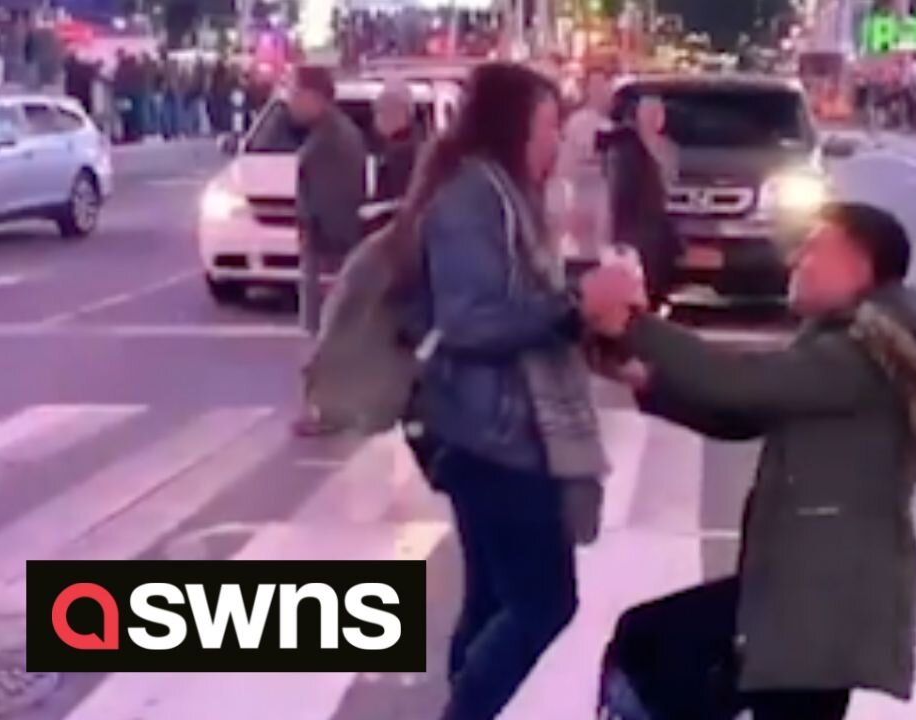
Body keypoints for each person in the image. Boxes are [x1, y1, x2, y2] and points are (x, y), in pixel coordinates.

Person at [581, 203, 916, 720]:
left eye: (816, 246)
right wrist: (649, 380)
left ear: (858, 265)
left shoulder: (862, 355)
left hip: (821, 600)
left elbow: (742, 384)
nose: (798, 259)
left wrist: (635, 325)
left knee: (655, 647)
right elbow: (742, 414)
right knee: (654, 646)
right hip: (806, 592)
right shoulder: (845, 343)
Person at [399, 63, 603, 720]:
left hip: (491, 426)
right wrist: (573, 310)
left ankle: (465, 705)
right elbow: (469, 320)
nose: (557, 141)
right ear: (515, 127)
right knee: (546, 601)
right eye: (549, 126)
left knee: (491, 601)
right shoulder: (472, 197)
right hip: (494, 433)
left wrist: (580, 295)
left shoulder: (502, 192)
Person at [290, 64, 368, 435]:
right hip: (324, 248)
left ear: (316, 97)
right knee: (326, 331)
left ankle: (327, 410)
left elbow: (335, 203)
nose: (291, 102)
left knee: (326, 333)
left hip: (328, 250)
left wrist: (331, 261)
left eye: (296, 93)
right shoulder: (328, 134)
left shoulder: (333, 141)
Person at [604, 94, 680, 302]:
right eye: (648, 113)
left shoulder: (670, 149)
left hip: (660, 219)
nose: (654, 118)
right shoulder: (624, 146)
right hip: (631, 218)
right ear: (638, 116)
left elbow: (671, 181)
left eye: (658, 113)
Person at [556, 68, 614, 260]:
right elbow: (566, 166)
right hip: (583, 194)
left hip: (606, 194)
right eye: (594, 85)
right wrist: (570, 207)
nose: (600, 90)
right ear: (587, 89)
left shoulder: (612, 123)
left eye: (603, 85)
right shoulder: (577, 122)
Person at [371, 82, 420, 202]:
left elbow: (394, 202)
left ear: (400, 112)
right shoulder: (415, 144)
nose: (377, 118)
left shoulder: (402, 154)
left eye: (381, 109)